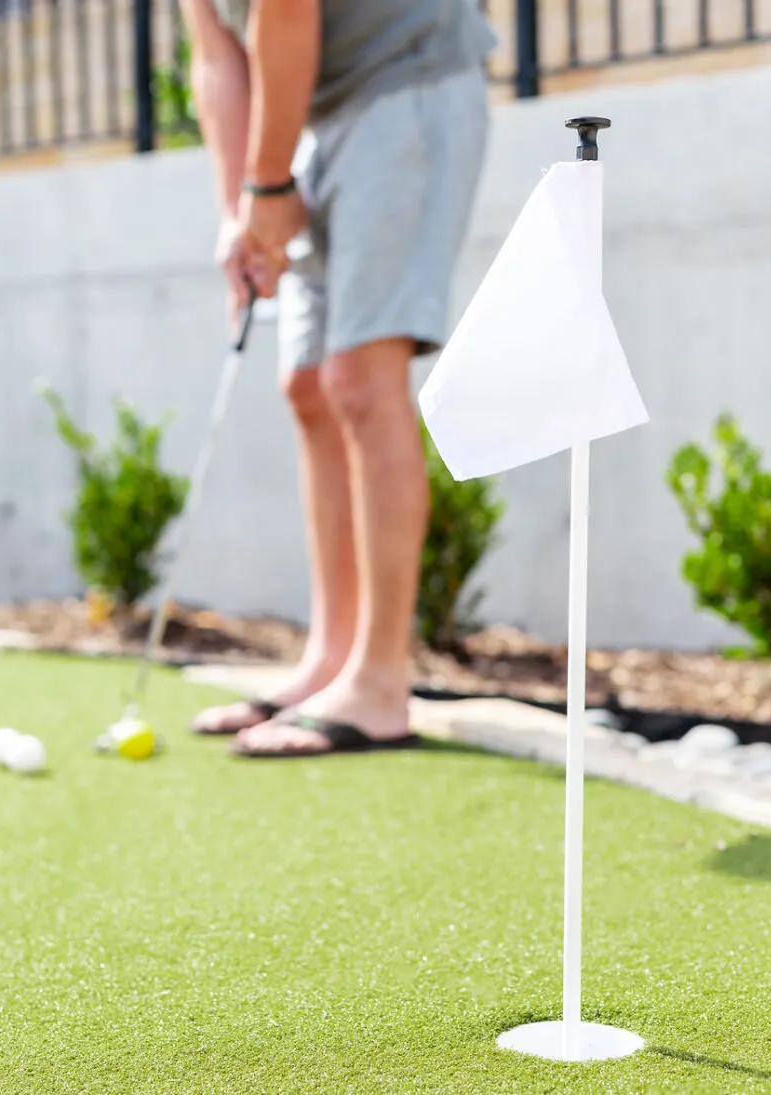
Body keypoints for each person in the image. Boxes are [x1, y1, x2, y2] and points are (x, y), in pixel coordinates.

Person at [185, 0, 495, 756]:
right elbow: (217, 52)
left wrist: (266, 188)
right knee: (308, 386)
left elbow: (285, 10)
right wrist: (239, 212)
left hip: (407, 82)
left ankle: (381, 682)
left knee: (360, 377)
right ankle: (331, 657)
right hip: (316, 111)